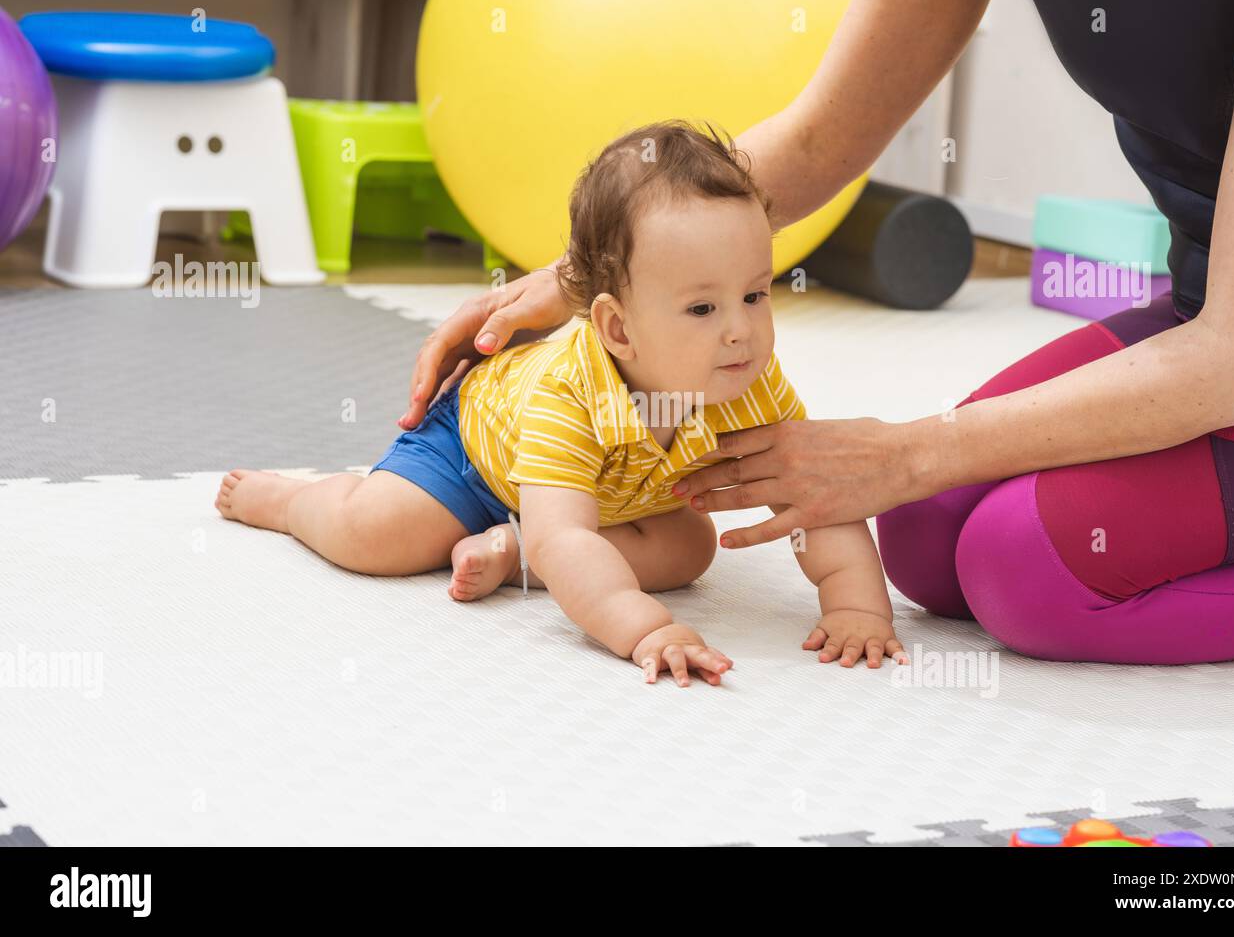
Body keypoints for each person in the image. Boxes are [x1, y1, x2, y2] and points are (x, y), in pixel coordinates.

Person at [399, 0, 1234, 665]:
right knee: (921, 532)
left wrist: (905, 449)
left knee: (1026, 568)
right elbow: (823, 138)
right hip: (1212, 304)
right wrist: (582, 275)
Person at [218, 122, 904, 687]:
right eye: (702, 307)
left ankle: (518, 550)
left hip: (607, 498)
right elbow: (568, 538)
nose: (740, 329)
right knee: (376, 534)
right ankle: (287, 502)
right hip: (477, 457)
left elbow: (810, 493)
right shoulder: (570, 394)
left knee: (691, 546)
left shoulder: (747, 376)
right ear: (617, 329)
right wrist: (644, 626)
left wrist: (856, 606)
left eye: (755, 295)